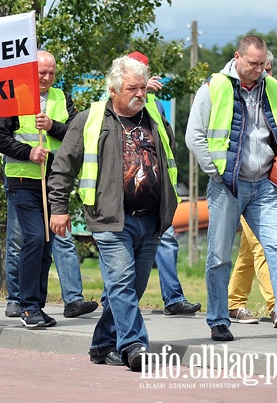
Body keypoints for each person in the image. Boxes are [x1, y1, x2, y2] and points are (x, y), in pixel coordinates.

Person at [49, 56, 177, 371]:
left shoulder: (155, 117)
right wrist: (58, 208)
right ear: (113, 89)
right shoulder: (90, 119)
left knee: (132, 287)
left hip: (151, 218)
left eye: (143, 88)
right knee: (121, 281)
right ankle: (134, 345)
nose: (140, 95)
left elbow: (169, 159)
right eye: (132, 89)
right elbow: (63, 167)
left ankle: (101, 345)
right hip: (109, 218)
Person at [185, 35, 277, 343]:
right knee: (220, 255)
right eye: (252, 63)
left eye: (262, 64)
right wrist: (216, 172)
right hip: (227, 186)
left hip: (264, 185)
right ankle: (219, 320)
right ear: (237, 57)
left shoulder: (273, 87)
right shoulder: (214, 87)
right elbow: (193, 136)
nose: (258, 69)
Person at [0, 50, 97, 328]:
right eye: (41, 72)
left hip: (54, 182)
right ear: (31, 71)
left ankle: (37, 305)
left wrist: (52, 126)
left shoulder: (62, 98)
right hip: (23, 181)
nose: (47, 77)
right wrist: (27, 152)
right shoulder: (14, 95)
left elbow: (76, 135)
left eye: (51, 72)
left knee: (48, 244)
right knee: (34, 239)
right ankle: (26, 306)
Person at [125, 52, 202, 318]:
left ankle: (173, 298)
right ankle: (116, 302)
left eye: (145, 74)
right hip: (130, 191)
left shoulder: (155, 103)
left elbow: (164, 144)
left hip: (157, 186)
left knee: (167, 240)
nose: (142, 83)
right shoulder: (116, 98)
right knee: (127, 251)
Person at [225, 50, 277, 327]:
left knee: (250, 250)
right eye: (259, 67)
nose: (263, 74)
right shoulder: (241, 97)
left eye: (268, 69)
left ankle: (234, 302)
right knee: (262, 247)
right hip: (248, 183)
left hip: (271, 185)